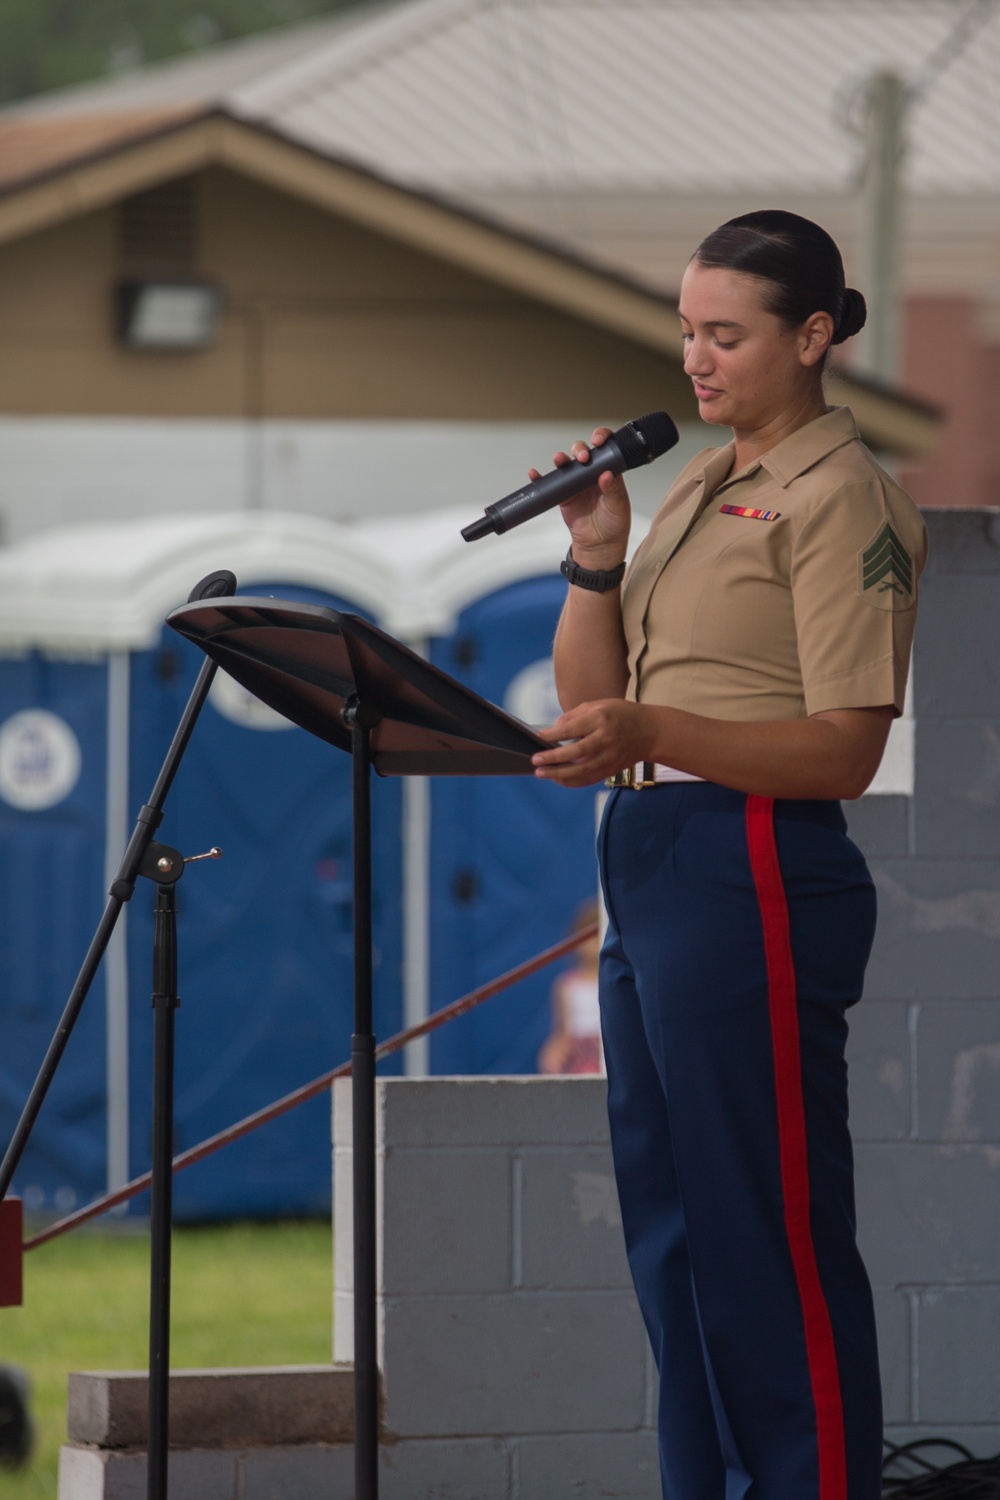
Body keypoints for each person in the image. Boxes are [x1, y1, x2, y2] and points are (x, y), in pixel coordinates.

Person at [530, 210, 927, 1500]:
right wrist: (597, 557)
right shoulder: (700, 483)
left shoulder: (841, 494)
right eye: (685, 330)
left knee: (765, 1229)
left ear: (813, 337)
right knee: (675, 1224)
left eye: (725, 333)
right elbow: (597, 697)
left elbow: (841, 752)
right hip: (653, 842)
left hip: (751, 850)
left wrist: (653, 727)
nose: (694, 359)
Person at [537, 901, 603, 1076]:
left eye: (598, 935)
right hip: (580, 1055)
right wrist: (553, 1051)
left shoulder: (615, 982)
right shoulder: (566, 985)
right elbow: (562, 1030)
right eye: (588, 936)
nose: (594, 944)